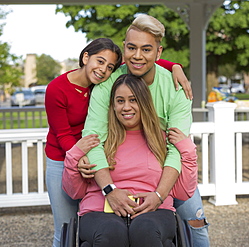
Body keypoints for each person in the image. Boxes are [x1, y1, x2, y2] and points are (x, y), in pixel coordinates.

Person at [44, 37, 192, 246]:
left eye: (110, 66)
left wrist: (174, 66)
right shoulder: (57, 88)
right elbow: (63, 135)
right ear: (85, 57)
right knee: (64, 226)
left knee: (195, 220)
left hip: (92, 150)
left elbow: (142, 61)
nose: (103, 69)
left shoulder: (105, 85)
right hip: (65, 155)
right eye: (100, 61)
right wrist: (79, 157)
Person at [80, 14, 210, 246]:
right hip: (117, 172)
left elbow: (176, 147)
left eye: (146, 49)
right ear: (124, 48)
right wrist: (109, 189)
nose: (137, 56)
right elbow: (93, 139)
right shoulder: (107, 84)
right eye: (132, 47)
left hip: (164, 174)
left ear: (159, 54)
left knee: (195, 222)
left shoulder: (176, 88)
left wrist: (160, 195)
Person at [63, 74, 198, 246]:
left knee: (145, 229)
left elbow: (183, 192)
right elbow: (74, 191)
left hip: (154, 212)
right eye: (120, 101)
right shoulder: (98, 143)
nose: (126, 107)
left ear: (144, 103)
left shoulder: (162, 141)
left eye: (133, 100)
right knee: (111, 233)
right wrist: (75, 155)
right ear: (112, 106)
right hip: (100, 212)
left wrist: (187, 149)